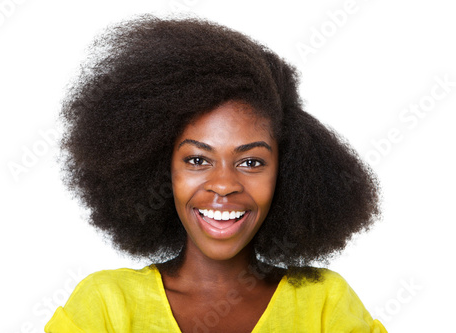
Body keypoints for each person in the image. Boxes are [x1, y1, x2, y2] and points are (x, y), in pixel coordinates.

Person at [45, 15, 387, 332]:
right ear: (156, 169)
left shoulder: (325, 306)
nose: (223, 185)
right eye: (197, 160)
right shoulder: (106, 307)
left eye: (251, 162)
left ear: (290, 174)